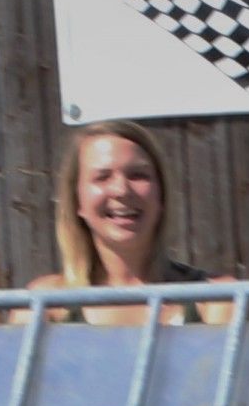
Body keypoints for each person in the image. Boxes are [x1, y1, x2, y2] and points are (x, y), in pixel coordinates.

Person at [32, 120, 229, 326]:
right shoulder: (43, 305)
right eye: (102, 177)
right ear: (77, 201)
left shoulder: (214, 299)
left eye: (138, 175)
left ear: (161, 195)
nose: (122, 190)